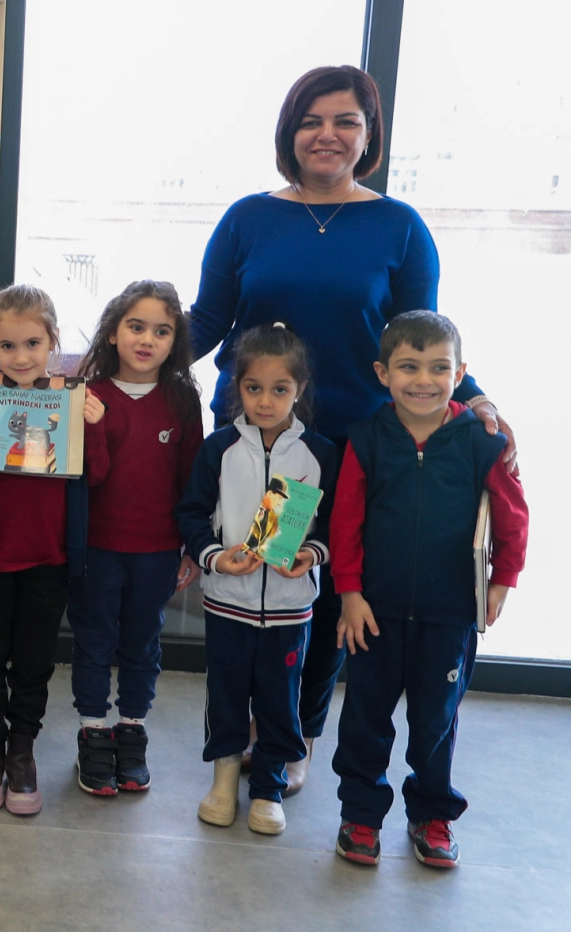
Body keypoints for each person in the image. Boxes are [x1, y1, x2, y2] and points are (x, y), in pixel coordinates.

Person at [188, 64, 516, 789]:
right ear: (289, 133)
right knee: (248, 580)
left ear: (368, 136)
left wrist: (478, 396)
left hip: (343, 449)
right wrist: (113, 356)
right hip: (254, 438)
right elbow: (208, 322)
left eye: (345, 121)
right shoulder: (249, 217)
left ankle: (296, 732)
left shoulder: (398, 225)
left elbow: (418, 339)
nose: (326, 135)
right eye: (311, 120)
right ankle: (243, 724)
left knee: (317, 585)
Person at [330, 312, 527, 869]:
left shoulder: (482, 443)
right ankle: (361, 815)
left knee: (436, 721)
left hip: (449, 615)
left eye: (439, 368)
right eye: (408, 367)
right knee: (365, 717)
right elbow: (345, 522)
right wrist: (349, 592)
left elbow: (513, 517)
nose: (424, 380)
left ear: (461, 372)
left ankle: (432, 814)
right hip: (373, 612)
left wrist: (502, 580)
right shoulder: (367, 438)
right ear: (382, 373)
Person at [0, 285, 107, 815]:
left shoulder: (72, 395)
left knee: (34, 663)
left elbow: (96, 473)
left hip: (49, 559)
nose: (20, 357)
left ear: (53, 340)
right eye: (7, 346)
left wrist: (93, 428)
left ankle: (22, 752)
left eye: (33, 343)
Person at [176, 323, 337, 836]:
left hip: (291, 609)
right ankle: (224, 780)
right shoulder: (217, 449)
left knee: (278, 698)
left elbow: (335, 526)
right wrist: (216, 559)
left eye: (280, 389)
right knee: (225, 694)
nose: (266, 401)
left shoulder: (320, 455)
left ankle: (267, 786)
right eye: (253, 388)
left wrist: (309, 554)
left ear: (301, 390)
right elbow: (192, 514)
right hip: (227, 603)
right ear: (236, 388)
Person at [66, 281, 203, 797]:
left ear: (175, 342)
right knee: (95, 639)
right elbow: (89, 475)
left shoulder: (183, 399)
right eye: (136, 326)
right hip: (98, 547)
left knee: (143, 644)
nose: (147, 339)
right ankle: (93, 732)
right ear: (113, 333)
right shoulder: (90, 396)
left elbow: (192, 481)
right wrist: (94, 427)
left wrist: (191, 544)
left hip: (158, 550)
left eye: (162, 331)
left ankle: (131, 730)